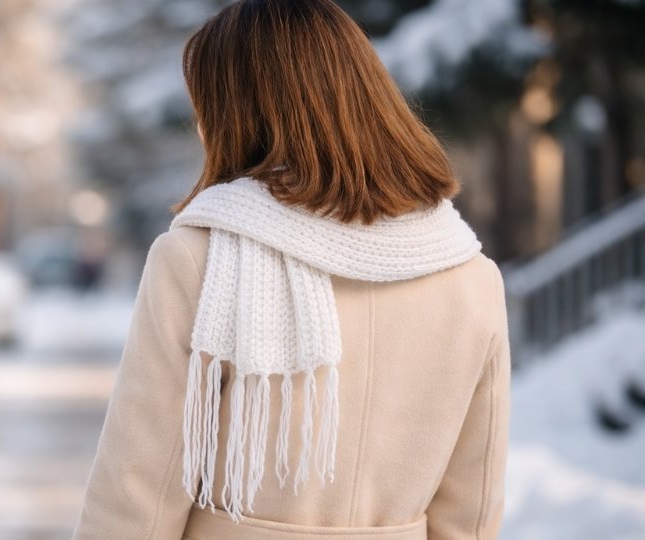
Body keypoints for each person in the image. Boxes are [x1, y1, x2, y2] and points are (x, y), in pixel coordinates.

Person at [72, 1, 511, 538]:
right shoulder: (468, 274)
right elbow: (472, 504)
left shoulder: (201, 257)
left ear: (237, 111)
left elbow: (140, 486)